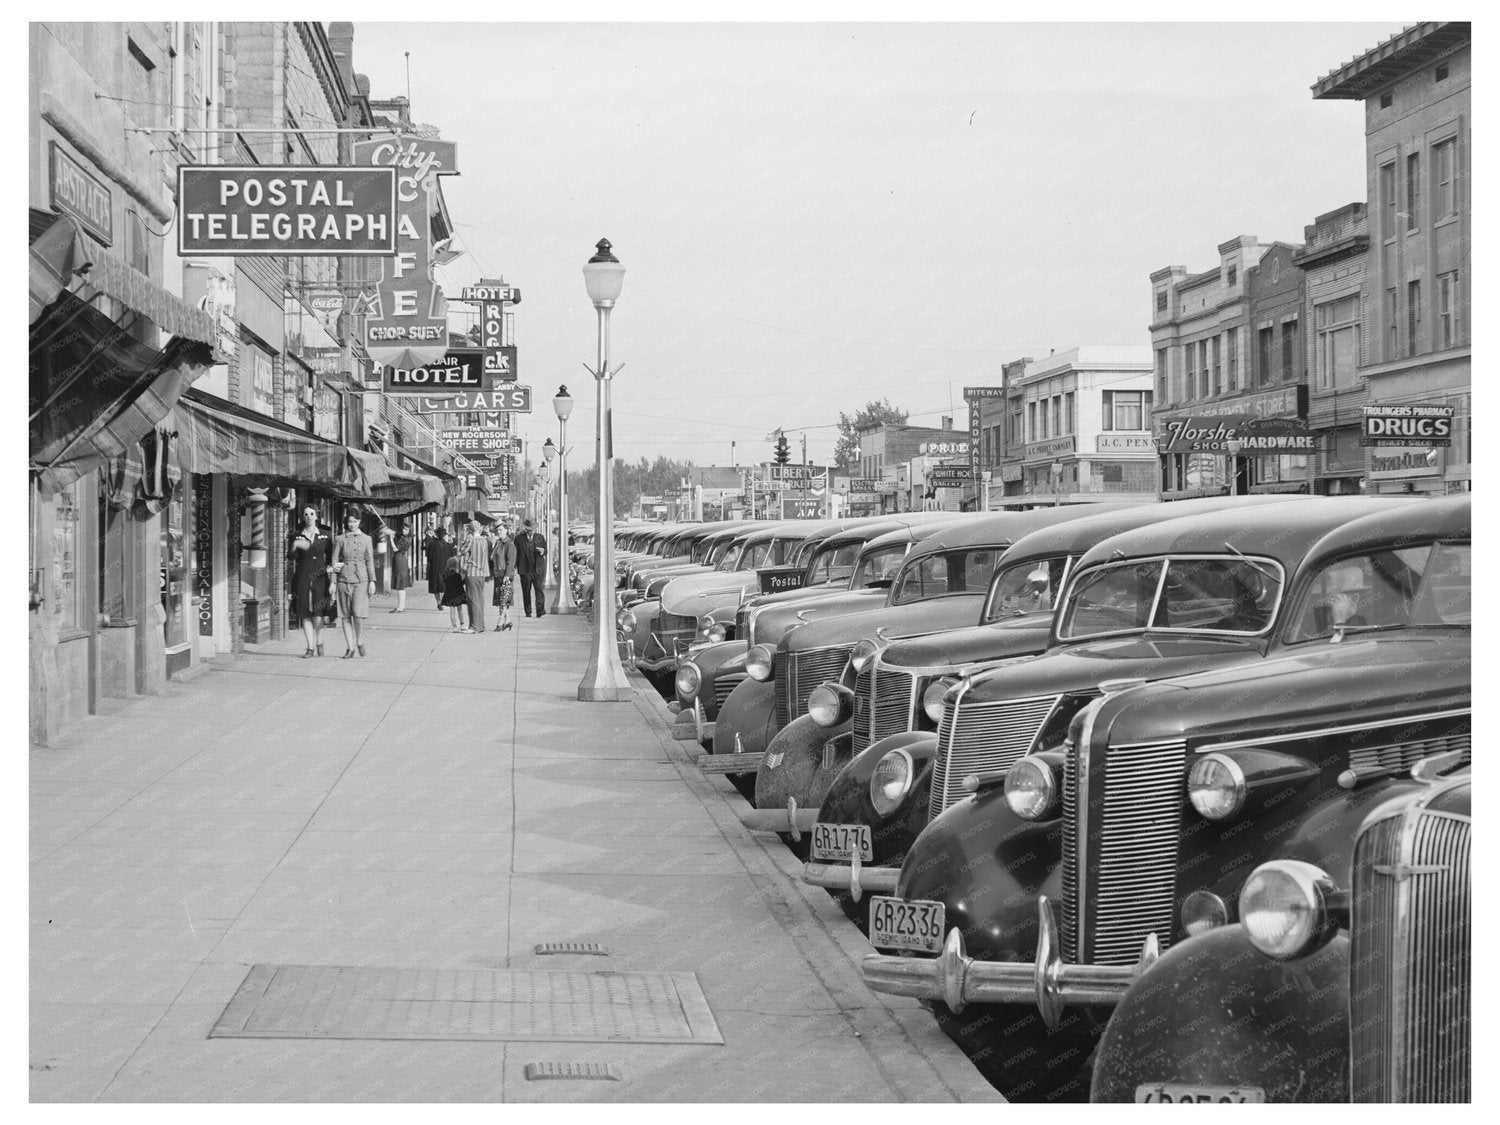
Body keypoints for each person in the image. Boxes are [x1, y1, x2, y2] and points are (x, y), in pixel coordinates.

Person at [288, 505, 334, 657]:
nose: (308, 516)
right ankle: (310, 647)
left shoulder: (325, 536)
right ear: (302, 516)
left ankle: (319, 641)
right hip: (303, 577)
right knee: (305, 612)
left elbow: (332, 559)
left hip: (321, 578)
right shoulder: (296, 536)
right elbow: (291, 558)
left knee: (318, 612)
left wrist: (331, 576)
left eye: (311, 514)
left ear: (317, 516)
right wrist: (294, 546)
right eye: (306, 514)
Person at [331, 511, 376, 657]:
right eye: (350, 522)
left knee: (357, 613)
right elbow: (335, 562)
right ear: (346, 522)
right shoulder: (339, 539)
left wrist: (372, 581)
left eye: (355, 521)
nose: (352, 524)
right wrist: (333, 581)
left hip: (361, 579)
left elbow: (369, 561)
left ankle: (359, 640)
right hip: (343, 579)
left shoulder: (367, 539)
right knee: (344, 615)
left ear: (359, 522)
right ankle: (350, 647)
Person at [458, 520, 491, 632]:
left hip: (472, 573)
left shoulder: (470, 539)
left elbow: (462, 550)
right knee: (480, 600)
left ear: (470, 530)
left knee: (473, 599)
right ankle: (481, 625)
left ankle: (474, 626)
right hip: (482, 574)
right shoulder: (484, 541)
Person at [514, 517, 547, 618]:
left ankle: (540, 611)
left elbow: (546, 550)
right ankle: (528, 612)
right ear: (525, 529)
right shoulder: (519, 538)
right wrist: (515, 566)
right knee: (526, 591)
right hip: (525, 569)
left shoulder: (540, 537)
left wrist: (543, 551)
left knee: (539, 590)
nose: (530, 531)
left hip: (538, 569)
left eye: (532, 529)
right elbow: (516, 554)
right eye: (528, 529)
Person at [490, 523, 518, 631]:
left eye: (501, 530)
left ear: (506, 530)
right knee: (502, 599)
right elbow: (492, 557)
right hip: (499, 574)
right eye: (497, 530)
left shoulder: (509, 544)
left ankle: (500, 622)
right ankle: (508, 621)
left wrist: (507, 575)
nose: (498, 532)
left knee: (504, 599)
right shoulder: (498, 543)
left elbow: (511, 562)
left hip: (505, 574)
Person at [425, 524, 454, 611]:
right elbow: (452, 558)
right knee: (444, 586)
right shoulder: (449, 546)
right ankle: (442, 600)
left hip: (435, 568)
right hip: (446, 569)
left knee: (436, 587)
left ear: (436, 534)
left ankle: (439, 602)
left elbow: (428, 556)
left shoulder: (432, 544)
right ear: (445, 535)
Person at [440, 556, 472, 632]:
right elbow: (461, 583)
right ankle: (462, 625)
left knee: (452, 611)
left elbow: (443, 583)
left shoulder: (444, 575)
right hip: (458, 594)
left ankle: (454, 626)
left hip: (449, 594)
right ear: (456, 565)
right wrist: (464, 577)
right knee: (460, 610)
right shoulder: (457, 575)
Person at [387, 528, 411, 613]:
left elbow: (395, 549)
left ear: (409, 531)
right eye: (403, 528)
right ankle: (401, 606)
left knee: (400, 585)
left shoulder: (406, 540)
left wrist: (391, 539)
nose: (404, 530)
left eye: (406, 529)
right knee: (401, 586)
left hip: (400, 561)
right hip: (399, 560)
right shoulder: (403, 538)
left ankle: (400, 607)